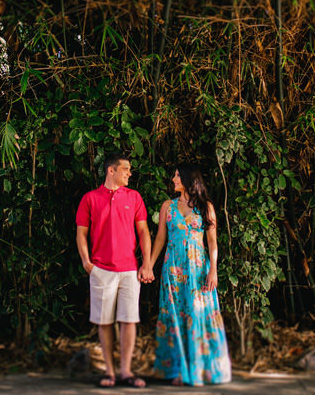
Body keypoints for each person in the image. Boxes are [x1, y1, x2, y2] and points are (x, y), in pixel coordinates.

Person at [76, 152, 154, 388]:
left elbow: (143, 232)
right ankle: (110, 372)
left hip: (129, 269)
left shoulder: (134, 197)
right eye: (126, 169)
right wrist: (86, 262)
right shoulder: (90, 198)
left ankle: (126, 372)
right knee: (104, 322)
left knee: (129, 321)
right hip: (101, 269)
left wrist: (147, 263)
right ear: (111, 170)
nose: (130, 173)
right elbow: (81, 232)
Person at [150, 163, 231, 386]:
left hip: (197, 269)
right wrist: (148, 264)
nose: (174, 179)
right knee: (174, 316)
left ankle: (200, 369)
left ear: (188, 179)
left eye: (177, 176)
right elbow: (160, 238)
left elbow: (212, 242)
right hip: (173, 268)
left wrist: (213, 269)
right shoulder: (168, 206)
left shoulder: (206, 207)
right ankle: (177, 370)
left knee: (198, 314)